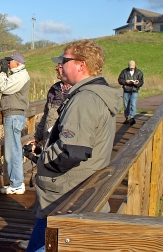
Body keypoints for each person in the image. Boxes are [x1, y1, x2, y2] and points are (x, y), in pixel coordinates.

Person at [24, 40, 122, 252]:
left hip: (65, 194)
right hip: (78, 187)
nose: (60, 64)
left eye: (64, 60)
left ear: (81, 65)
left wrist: (42, 160)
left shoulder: (84, 99)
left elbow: (72, 151)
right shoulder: (96, 93)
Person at [0, 52, 30, 195]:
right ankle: (16, 182)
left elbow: (3, 87)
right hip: (14, 115)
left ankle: (16, 184)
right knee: (13, 150)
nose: (7, 64)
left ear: (17, 63)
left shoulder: (20, 76)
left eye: (9, 62)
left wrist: (2, 72)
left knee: (12, 151)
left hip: (14, 115)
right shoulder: (18, 75)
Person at [118, 60, 144, 125]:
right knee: (126, 105)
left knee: (133, 104)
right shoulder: (124, 72)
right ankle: (127, 117)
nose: (132, 68)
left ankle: (132, 117)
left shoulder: (139, 72)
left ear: (135, 66)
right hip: (126, 90)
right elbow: (120, 80)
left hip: (134, 90)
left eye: (133, 67)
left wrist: (137, 83)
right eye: (131, 67)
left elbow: (141, 82)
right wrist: (125, 82)